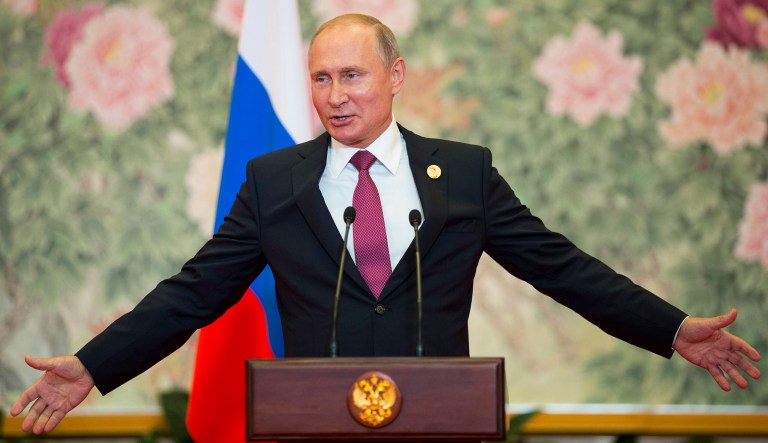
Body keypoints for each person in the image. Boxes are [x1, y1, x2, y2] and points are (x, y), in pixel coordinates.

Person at [11, 13, 761, 435]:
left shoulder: (462, 173)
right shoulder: (277, 183)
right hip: (311, 431)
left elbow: (563, 268)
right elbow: (193, 292)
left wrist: (670, 328)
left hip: (439, 428)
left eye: (352, 75)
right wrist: (94, 364)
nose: (334, 96)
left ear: (394, 77)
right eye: (320, 79)